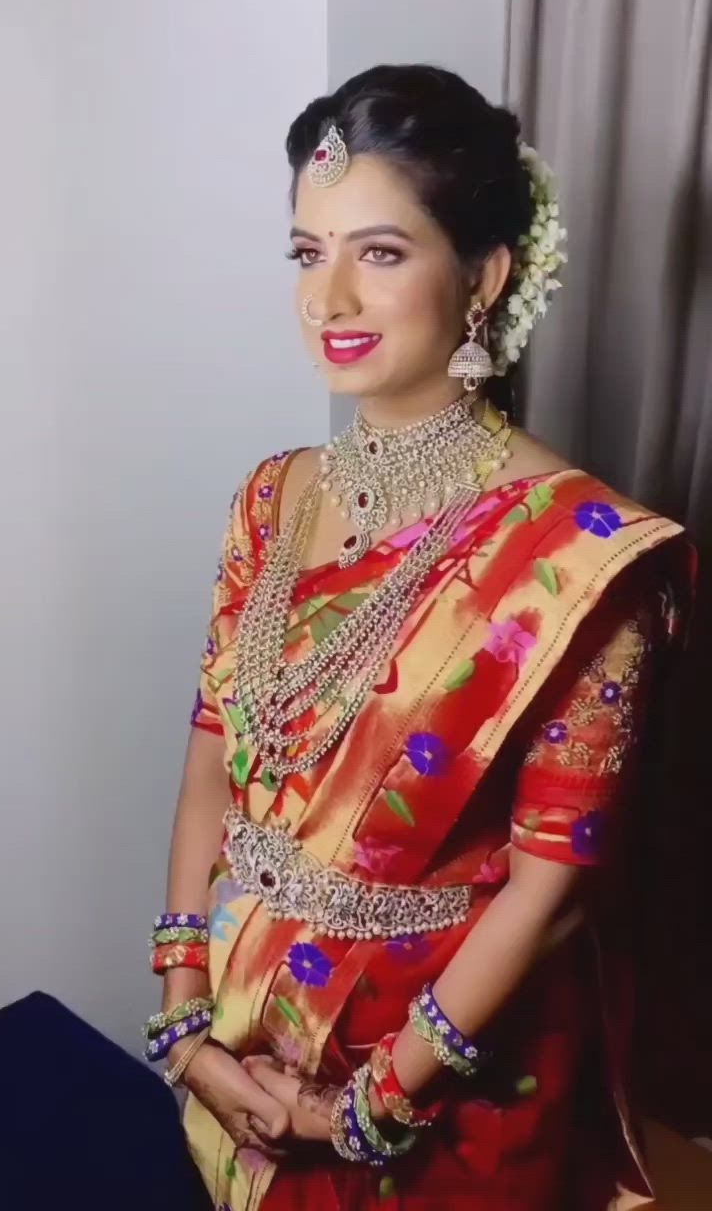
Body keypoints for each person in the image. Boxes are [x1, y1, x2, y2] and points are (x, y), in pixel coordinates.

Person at [146, 65, 693, 1211]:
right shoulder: (273, 498)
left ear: (484, 276)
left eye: (380, 253)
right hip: (237, 1026)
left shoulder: (582, 555)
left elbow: (554, 889)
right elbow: (213, 756)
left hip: (440, 1084)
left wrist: (366, 1102)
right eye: (307, 252)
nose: (328, 298)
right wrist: (187, 1006)